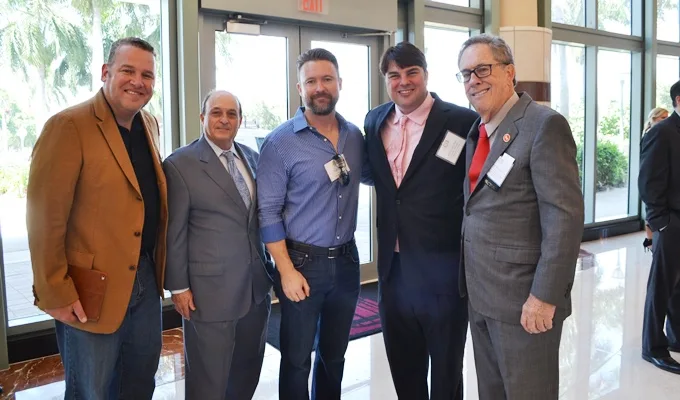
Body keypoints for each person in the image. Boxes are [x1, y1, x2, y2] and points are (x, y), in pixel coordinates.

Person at [26, 37, 167, 399]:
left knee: (140, 381)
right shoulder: (68, 126)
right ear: (106, 72)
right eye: (128, 71)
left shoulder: (149, 124)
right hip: (90, 288)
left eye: (147, 75)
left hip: (145, 278)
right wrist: (54, 291)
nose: (138, 81)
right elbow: (44, 219)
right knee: (92, 390)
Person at [458, 34, 584, 399]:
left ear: (509, 72)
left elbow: (564, 219)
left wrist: (544, 297)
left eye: (483, 69)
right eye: (466, 74)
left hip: (524, 302)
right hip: (482, 295)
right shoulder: (478, 131)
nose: (473, 80)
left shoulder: (544, 125)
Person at [363, 41, 477, 400]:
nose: (403, 81)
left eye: (411, 72)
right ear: (386, 80)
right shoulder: (375, 120)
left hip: (442, 273)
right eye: (394, 75)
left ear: (426, 74)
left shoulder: (461, 121)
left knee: (446, 374)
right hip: (393, 272)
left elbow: (475, 191)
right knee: (404, 371)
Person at [257, 48, 370, 400]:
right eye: (311, 81)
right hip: (301, 264)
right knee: (296, 359)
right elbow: (268, 212)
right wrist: (286, 271)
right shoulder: (280, 143)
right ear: (299, 88)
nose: (319, 87)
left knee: (334, 355)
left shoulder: (355, 136)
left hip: (347, 262)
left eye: (327, 79)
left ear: (339, 84)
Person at [163, 90, 274, 399]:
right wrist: (178, 287)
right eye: (216, 113)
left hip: (255, 290)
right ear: (203, 118)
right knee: (208, 381)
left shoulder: (251, 158)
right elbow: (174, 231)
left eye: (231, 114)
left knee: (247, 372)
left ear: (240, 120)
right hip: (208, 294)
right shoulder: (180, 164)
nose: (224, 119)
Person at [638, 81, 680, 374]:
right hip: (670, 222)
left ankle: (676, 337)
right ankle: (652, 347)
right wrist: (661, 224)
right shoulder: (661, 132)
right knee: (661, 287)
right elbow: (648, 182)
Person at [641, 107, 669, 250]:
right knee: (651, 211)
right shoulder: (651, 135)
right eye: (663, 118)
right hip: (651, 180)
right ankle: (650, 240)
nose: (666, 121)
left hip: (655, 179)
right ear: (653, 118)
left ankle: (650, 240)